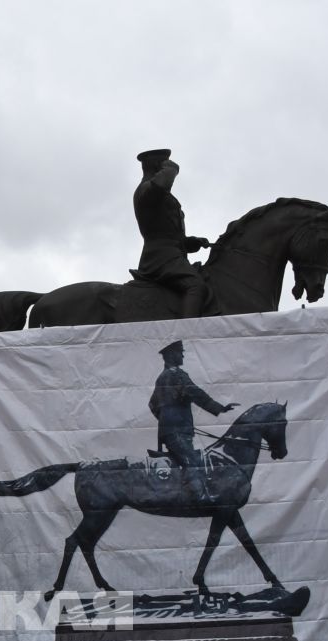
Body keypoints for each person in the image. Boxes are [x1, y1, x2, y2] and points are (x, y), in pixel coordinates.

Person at [150, 339, 238, 507]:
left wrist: (165, 421)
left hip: (171, 431)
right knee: (192, 461)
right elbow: (196, 393)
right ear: (171, 355)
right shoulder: (177, 375)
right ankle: (199, 497)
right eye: (180, 352)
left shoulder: (161, 377)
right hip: (178, 432)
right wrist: (220, 408)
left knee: (187, 459)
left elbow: (152, 404)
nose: (182, 354)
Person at [132, 148, 211, 319]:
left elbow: (168, 233)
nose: (165, 165)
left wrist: (190, 242)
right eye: (162, 162)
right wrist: (172, 168)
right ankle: (187, 336)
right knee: (196, 286)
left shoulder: (160, 194)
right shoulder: (146, 190)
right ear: (155, 164)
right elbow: (162, 184)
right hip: (160, 258)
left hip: (174, 255)